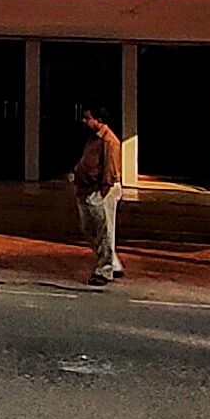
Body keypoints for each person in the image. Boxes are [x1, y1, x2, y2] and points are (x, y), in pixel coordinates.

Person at [70, 104, 125, 285]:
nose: (85, 121)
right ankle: (112, 261)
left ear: (99, 120)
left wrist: (102, 192)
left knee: (104, 231)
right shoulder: (93, 139)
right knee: (89, 230)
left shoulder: (109, 141)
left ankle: (105, 269)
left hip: (100, 191)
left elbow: (110, 171)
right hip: (87, 189)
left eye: (88, 118)